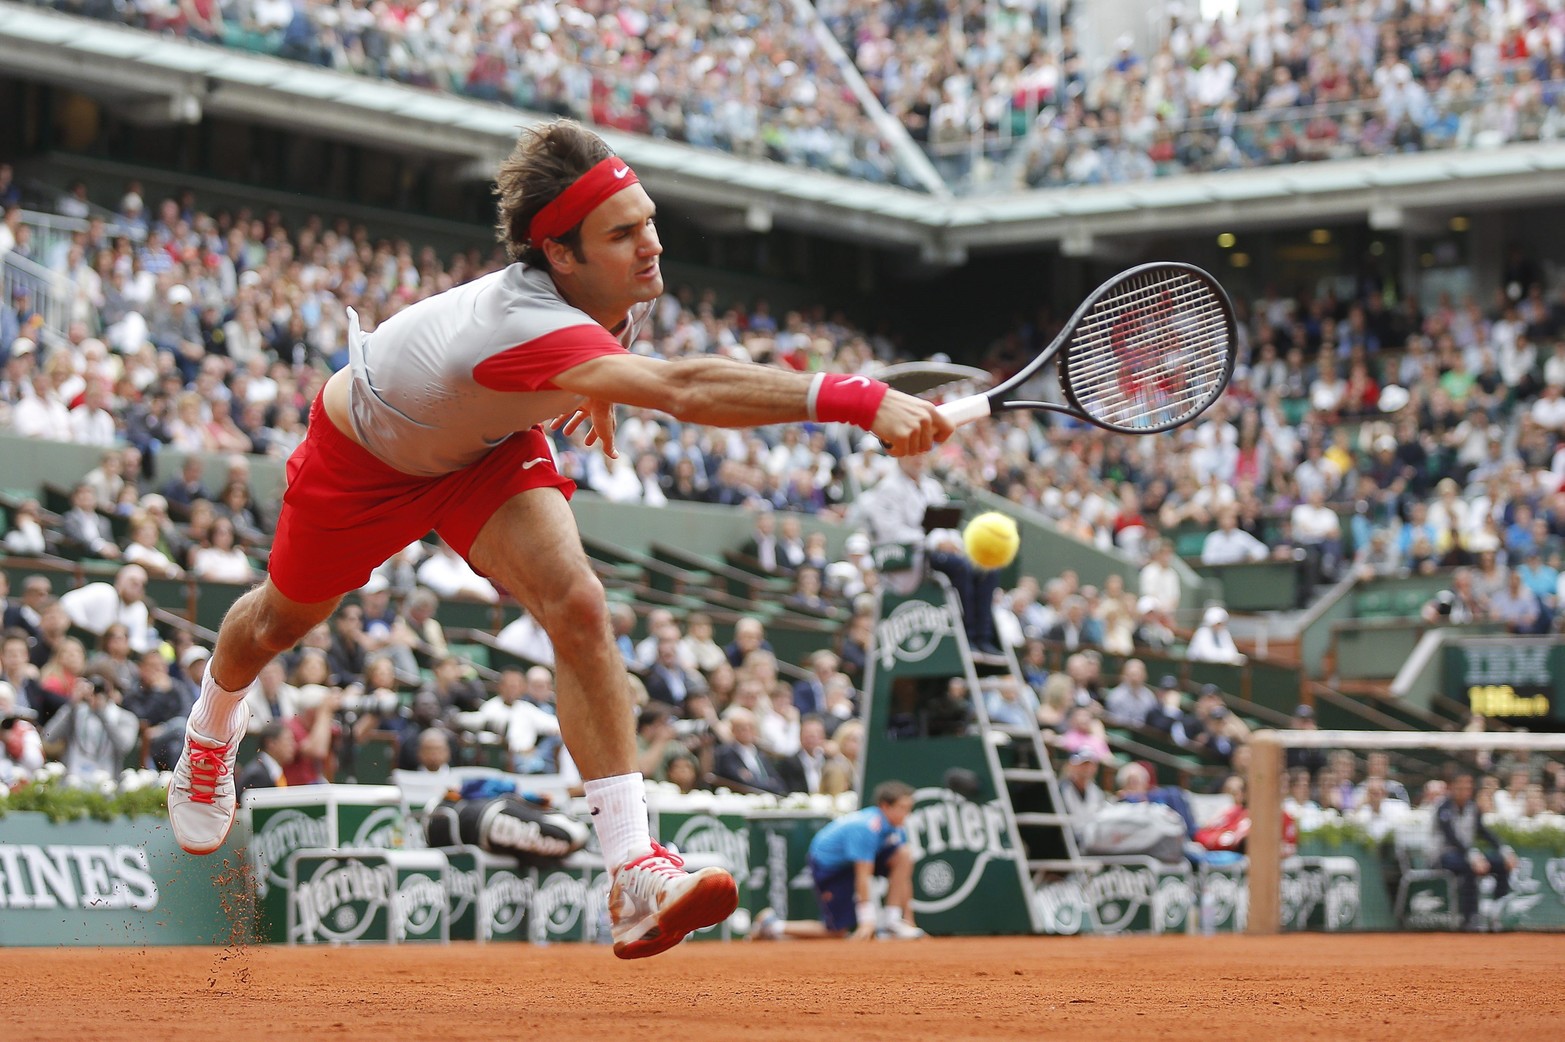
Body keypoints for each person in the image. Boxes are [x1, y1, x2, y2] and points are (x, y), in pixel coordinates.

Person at [166, 118, 948, 961]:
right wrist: (858, 399)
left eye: (647, 218)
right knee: (278, 624)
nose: (650, 244)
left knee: (576, 599)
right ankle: (211, 729)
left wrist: (590, 384)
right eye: (623, 233)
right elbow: (683, 389)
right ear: (559, 255)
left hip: (482, 452)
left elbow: (612, 355)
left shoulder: (610, 288)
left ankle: (632, 869)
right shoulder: (519, 323)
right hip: (364, 456)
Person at [750, 780, 924, 941]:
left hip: (851, 862)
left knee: (904, 854)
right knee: (836, 932)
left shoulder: (896, 828)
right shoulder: (866, 828)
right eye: (902, 808)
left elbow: (903, 874)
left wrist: (909, 919)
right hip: (829, 867)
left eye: (909, 808)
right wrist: (867, 921)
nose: (906, 814)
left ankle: (892, 922)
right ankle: (772, 925)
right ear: (885, 806)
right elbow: (863, 874)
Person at [1433, 772, 1516, 931]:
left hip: (1467, 855)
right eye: (1461, 787)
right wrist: (1473, 856)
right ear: (1452, 788)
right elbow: (1451, 837)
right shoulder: (1443, 807)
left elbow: (1483, 832)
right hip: (1441, 856)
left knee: (1502, 864)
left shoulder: (1473, 807)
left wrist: (1505, 850)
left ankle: (1496, 913)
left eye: (1468, 787)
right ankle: (1469, 917)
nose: (1465, 791)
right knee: (1470, 867)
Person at [237, 722, 297, 794]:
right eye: (288, 740)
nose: (294, 746)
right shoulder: (256, 776)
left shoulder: (273, 772)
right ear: (271, 744)